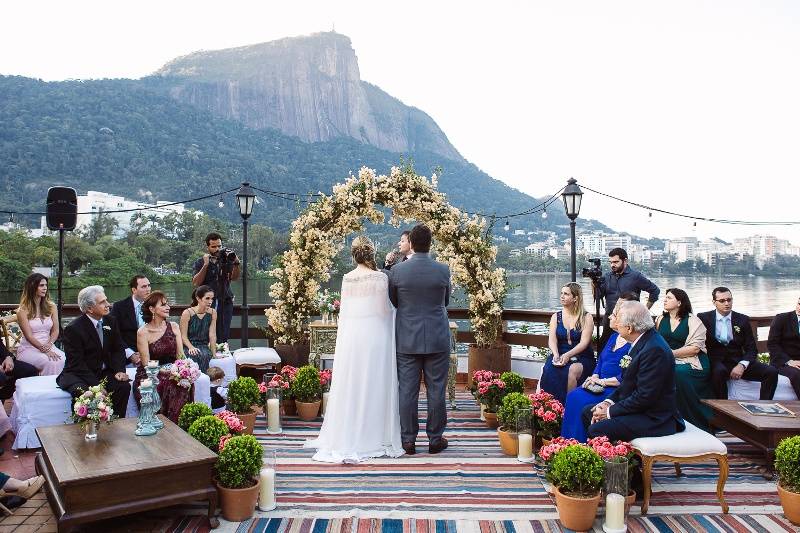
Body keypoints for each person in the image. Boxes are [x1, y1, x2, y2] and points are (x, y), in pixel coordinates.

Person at [304, 236, 404, 462]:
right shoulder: (379, 277)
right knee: (375, 383)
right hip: (375, 336)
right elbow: (383, 311)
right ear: (371, 254)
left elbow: (346, 312)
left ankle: (350, 430)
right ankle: (375, 433)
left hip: (352, 338)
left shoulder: (347, 278)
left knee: (355, 382)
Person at [389, 225, 452, 455]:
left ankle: (408, 440)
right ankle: (435, 439)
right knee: (436, 390)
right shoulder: (443, 270)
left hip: (407, 338)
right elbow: (445, 302)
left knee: (407, 390)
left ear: (412, 244)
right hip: (437, 337)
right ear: (430, 243)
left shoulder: (397, 271)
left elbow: (394, 302)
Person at [583, 301, 685, 441]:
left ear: (629, 328)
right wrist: (607, 403)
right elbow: (626, 384)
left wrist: (609, 412)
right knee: (589, 412)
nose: (615, 324)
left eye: (618, 320)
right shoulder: (641, 340)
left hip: (656, 417)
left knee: (598, 429)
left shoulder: (654, 350)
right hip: (641, 409)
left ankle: (621, 461)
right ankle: (613, 457)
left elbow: (644, 397)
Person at [561, 294, 635, 441]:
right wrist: (595, 376)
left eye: (616, 311)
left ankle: (582, 442)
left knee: (581, 401)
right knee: (573, 395)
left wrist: (603, 382)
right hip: (599, 383)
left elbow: (627, 376)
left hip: (615, 389)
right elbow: (600, 361)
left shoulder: (632, 342)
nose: (611, 315)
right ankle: (568, 441)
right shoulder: (614, 337)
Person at [57, 286, 131, 418]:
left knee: (123, 387)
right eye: (102, 302)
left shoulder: (110, 321)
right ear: (89, 309)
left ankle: (117, 424)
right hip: (79, 374)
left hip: (102, 372)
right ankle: (84, 431)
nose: (108, 304)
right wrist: (96, 385)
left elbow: (118, 349)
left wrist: (120, 370)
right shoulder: (73, 329)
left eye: (106, 300)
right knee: (88, 394)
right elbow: (76, 363)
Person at [698, 287, 778, 401]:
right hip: (716, 361)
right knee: (719, 372)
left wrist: (742, 365)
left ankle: (764, 405)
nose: (727, 303)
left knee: (771, 372)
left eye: (729, 300)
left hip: (737, 360)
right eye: (722, 301)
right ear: (714, 302)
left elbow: (751, 348)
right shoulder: (704, 318)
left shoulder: (742, 319)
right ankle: (723, 409)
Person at [655, 288, 713, 432]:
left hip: (692, 360)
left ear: (679, 302)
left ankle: (693, 419)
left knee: (677, 373)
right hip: (667, 358)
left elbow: (695, 348)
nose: (665, 300)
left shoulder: (693, 321)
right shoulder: (661, 319)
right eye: (665, 297)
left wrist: (670, 354)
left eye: (669, 298)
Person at [135, 292, 189, 423]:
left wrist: (182, 370)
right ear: (152, 309)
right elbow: (146, 363)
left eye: (168, 304)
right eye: (163, 305)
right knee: (168, 383)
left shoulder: (174, 327)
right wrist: (165, 371)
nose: (168, 307)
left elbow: (180, 356)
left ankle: (180, 425)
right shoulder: (143, 332)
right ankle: (165, 423)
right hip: (150, 373)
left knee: (184, 381)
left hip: (172, 369)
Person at [540, 282, 595, 405]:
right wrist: (555, 354)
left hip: (582, 356)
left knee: (571, 370)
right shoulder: (556, 316)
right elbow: (552, 339)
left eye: (566, 294)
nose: (562, 296)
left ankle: (568, 407)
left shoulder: (586, 317)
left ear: (575, 298)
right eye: (561, 293)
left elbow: (584, 343)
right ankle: (548, 407)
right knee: (549, 368)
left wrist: (568, 355)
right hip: (560, 354)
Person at [596, 248, 660, 352]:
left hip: (629, 321)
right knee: (604, 348)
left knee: (628, 351)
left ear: (625, 261)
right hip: (610, 319)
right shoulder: (607, 276)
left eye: (616, 262)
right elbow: (598, 296)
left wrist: (644, 310)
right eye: (611, 262)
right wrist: (594, 282)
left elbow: (655, 291)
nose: (613, 265)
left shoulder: (635, 276)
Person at [192, 232, 240, 342]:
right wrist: (206, 265)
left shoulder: (227, 261)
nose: (217, 249)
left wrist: (236, 264)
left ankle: (222, 352)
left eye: (219, 246)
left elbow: (235, 278)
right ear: (207, 247)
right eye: (213, 246)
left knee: (224, 332)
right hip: (208, 302)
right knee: (207, 332)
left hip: (226, 301)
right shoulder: (201, 262)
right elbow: (196, 282)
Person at [15, 273, 65, 375]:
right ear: (32, 287)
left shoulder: (51, 306)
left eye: (46, 285)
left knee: (63, 358)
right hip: (29, 349)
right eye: (41, 285)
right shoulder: (22, 310)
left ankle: (61, 388)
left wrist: (50, 344)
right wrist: (44, 350)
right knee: (51, 362)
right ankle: (46, 389)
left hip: (49, 345)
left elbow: (56, 330)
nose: (45, 288)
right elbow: (29, 336)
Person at [110, 275, 151, 366]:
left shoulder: (154, 306)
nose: (148, 289)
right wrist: (130, 354)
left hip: (152, 356)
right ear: (134, 290)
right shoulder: (119, 307)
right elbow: (112, 333)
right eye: (144, 286)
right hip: (127, 357)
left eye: (149, 285)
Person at [767, 296, 800, 399]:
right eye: (799, 304)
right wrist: (789, 361)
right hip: (782, 362)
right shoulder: (782, 318)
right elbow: (772, 344)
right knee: (796, 374)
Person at [179, 285, 217, 372]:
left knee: (206, 355)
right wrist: (191, 347)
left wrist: (214, 353)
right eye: (207, 298)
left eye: (212, 299)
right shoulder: (187, 313)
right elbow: (183, 336)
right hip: (188, 345)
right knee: (194, 355)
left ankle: (205, 380)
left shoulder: (213, 312)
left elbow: (212, 334)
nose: (210, 301)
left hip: (203, 345)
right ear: (198, 298)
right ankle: (195, 381)